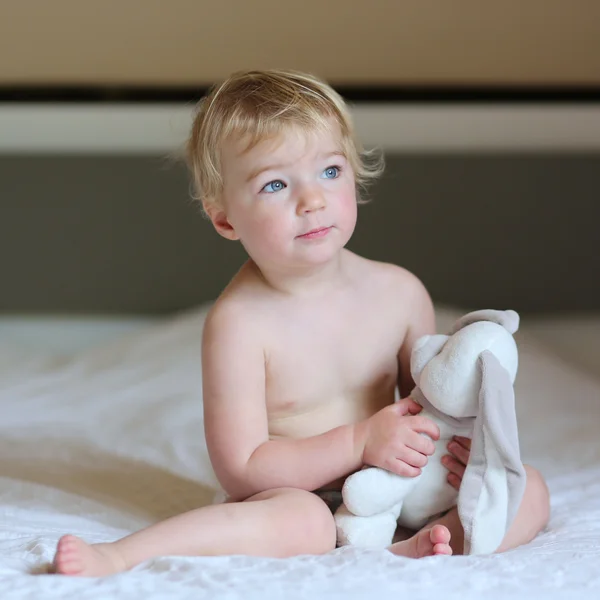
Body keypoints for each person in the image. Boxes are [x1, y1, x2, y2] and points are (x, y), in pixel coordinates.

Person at [52, 69, 550, 577]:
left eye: (330, 172)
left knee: (526, 487)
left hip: (396, 494)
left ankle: (443, 539)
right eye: (275, 184)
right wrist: (358, 443)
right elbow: (243, 469)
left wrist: (460, 455)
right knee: (305, 521)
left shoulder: (399, 293)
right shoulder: (238, 324)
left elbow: (433, 405)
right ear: (225, 219)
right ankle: (121, 555)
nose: (311, 200)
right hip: (294, 494)